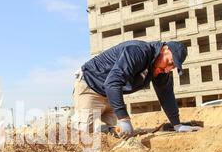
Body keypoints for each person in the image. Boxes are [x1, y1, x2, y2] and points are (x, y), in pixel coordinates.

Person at [73, 40, 201, 138]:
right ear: (164, 49)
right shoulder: (138, 52)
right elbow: (112, 83)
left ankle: (102, 130)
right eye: (170, 62)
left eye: (172, 67)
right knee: (84, 138)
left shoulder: (160, 70)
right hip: (91, 87)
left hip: (111, 95)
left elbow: (166, 94)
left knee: (117, 136)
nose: (168, 68)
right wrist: (124, 118)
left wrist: (177, 125)